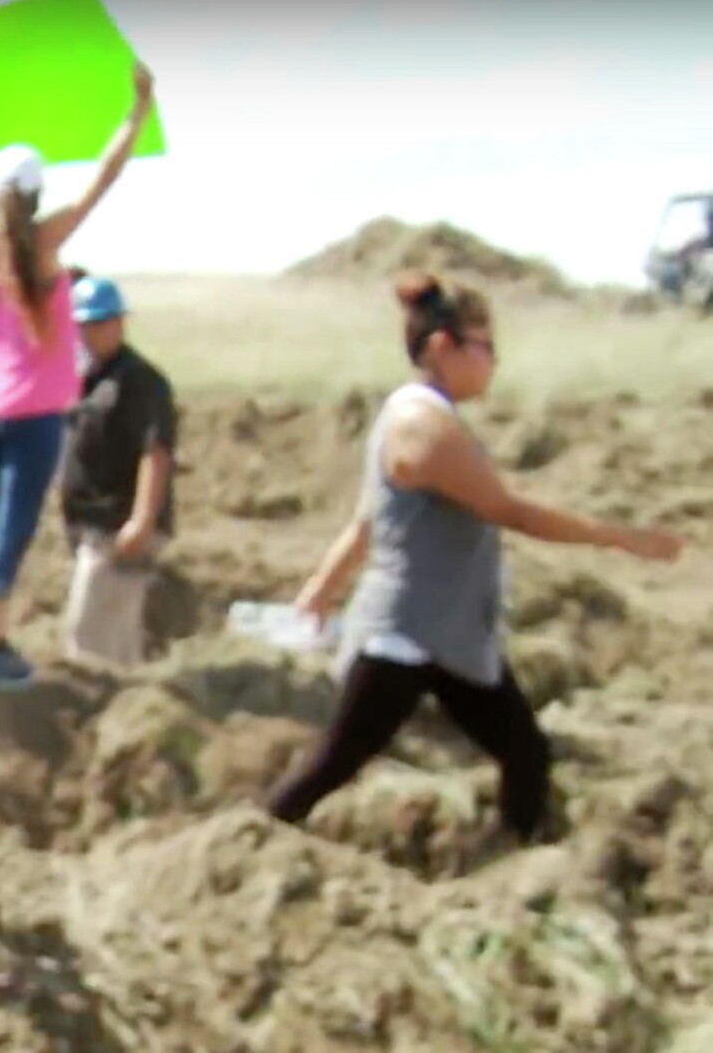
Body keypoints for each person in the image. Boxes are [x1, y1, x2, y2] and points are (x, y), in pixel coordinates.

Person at [266, 272, 683, 843]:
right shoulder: (420, 425)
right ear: (443, 346)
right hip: (404, 635)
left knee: (525, 752)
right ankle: (254, 840)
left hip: (449, 635)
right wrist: (618, 536)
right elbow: (505, 509)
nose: (494, 361)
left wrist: (321, 588)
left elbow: (368, 522)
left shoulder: (427, 419)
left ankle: (515, 862)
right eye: (485, 346)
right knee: (334, 764)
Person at [0, 61, 155, 690]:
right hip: (32, 413)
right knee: (10, 535)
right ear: (37, 195)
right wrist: (138, 108)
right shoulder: (45, 243)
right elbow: (105, 176)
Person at [57, 276, 177, 667]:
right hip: (92, 526)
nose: (88, 333)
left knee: (89, 639)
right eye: (82, 326)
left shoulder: (141, 381)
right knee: (111, 637)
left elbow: (155, 452)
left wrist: (142, 522)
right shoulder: (87, 378)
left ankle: (111, 713)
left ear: (119, 323)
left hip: (120, 526)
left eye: (98, 323)